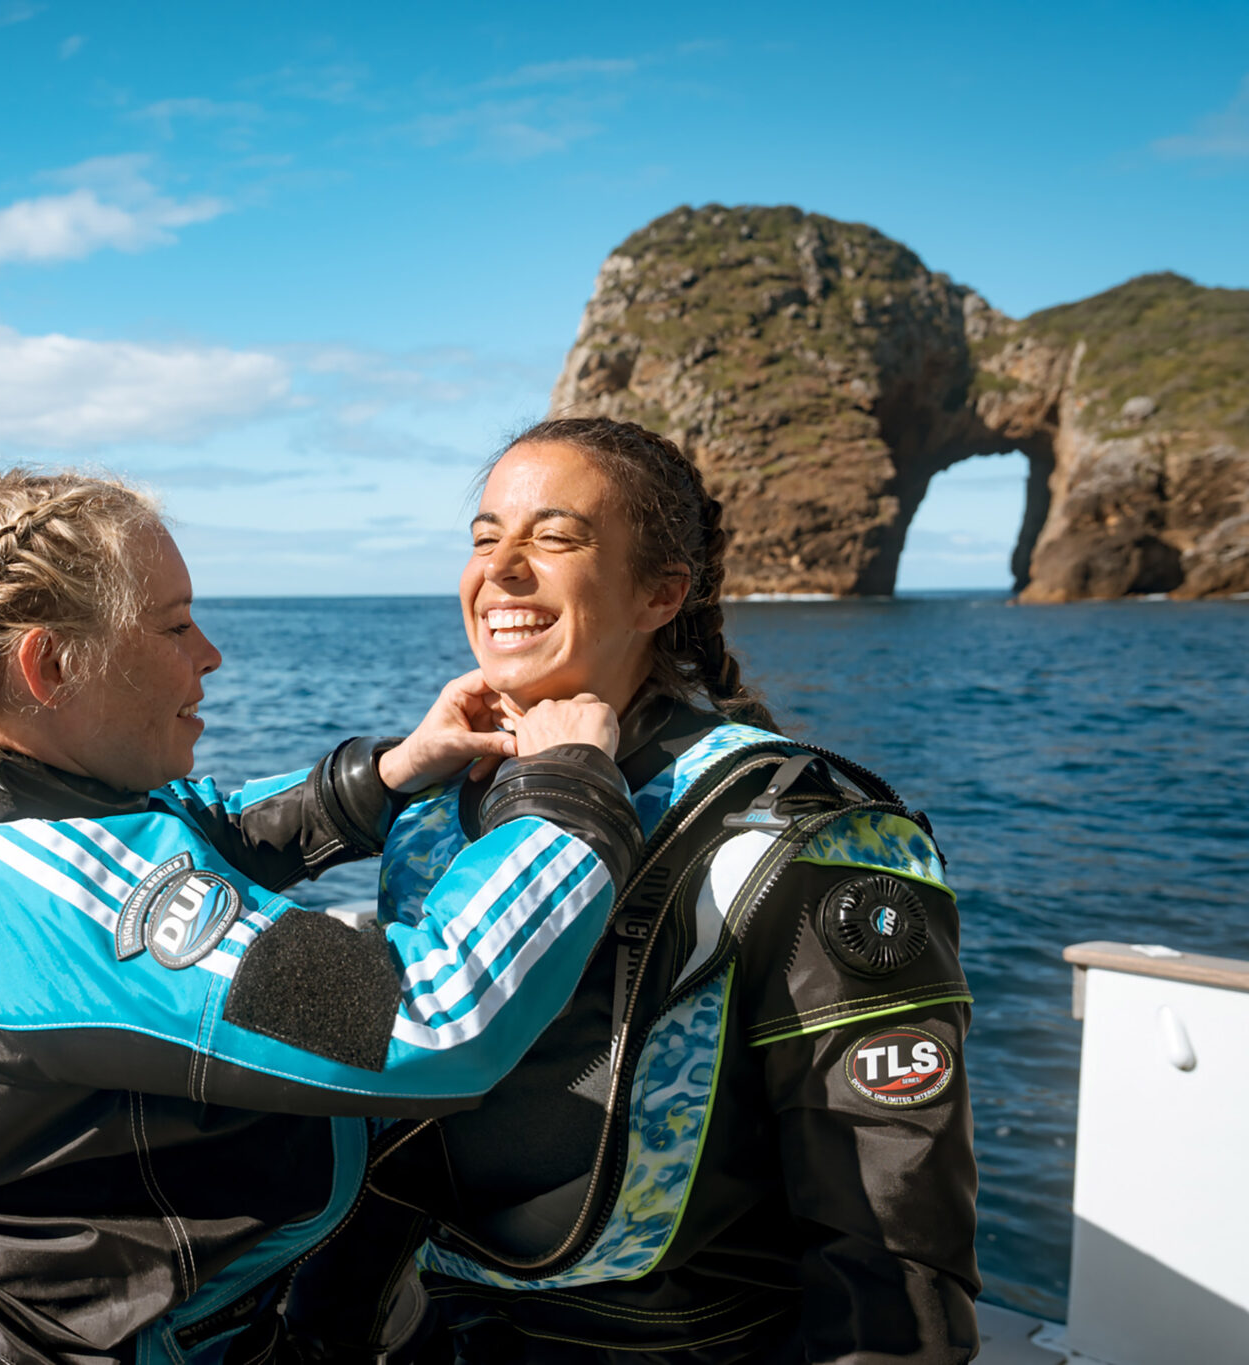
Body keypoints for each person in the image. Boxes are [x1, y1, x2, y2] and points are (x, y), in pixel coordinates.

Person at [0, 469, 653, 1365]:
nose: (210, 654)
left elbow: (202, 827)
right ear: (51, 666)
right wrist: (566, 788)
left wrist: (397, 769)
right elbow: (432, 1014)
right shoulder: (63, 900)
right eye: (175, 626)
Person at [287, 417, 978, 1364]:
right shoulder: (433, 799)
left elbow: (892, 1228)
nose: (503, 569)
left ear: (661, 593)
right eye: (486, 537)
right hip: (438, 1323)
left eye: (554, 537)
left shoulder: (800, 833)